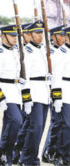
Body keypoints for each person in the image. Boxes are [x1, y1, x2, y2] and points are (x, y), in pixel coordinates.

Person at [20, 20, 50, 166]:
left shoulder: (42, 50)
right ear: (30, 35)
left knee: (39, 129)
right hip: (34, 94)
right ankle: (28, 159)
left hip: (44, 93)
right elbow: (25, 77)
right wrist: (26, 98)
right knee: (35, 128)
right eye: (37, 33)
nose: (40, 36)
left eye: (41, 33)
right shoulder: (28, 51)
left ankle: (31, 158)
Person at [52, 25, 70, 166]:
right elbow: (56, 77)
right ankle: (60, 156)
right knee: (66, 127)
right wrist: (57, 97)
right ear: (67, 36)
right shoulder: (61, 53)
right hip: (64, 94)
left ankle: (65, 157)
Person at [42, 25, 65, 164]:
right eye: (60, 35)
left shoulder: (64, 52)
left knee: (61, 123)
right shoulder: (48, 53)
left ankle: (54, 151)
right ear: (53, 37)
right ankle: (47, 152)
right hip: (51, 91)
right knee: (56, 123)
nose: (63, 38)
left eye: (64, 35)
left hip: (63, 91)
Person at [0, 25, 23, 166]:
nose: (15, 38)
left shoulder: (16, 52)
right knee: (16, 120)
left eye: (16, 36)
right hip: (4, 91)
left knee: (10, 124)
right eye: (12, 36)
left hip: (16, 91)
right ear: (3, 36)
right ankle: (3, 149)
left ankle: (5, 157)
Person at [12, 23, 32, 164]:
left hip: (26, 92)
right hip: (15, 92)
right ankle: (14, 151)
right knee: (19, 123)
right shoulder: (16, 51)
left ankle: (18, 151)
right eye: (27, 34)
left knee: (27, 122)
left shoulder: (27, 51)